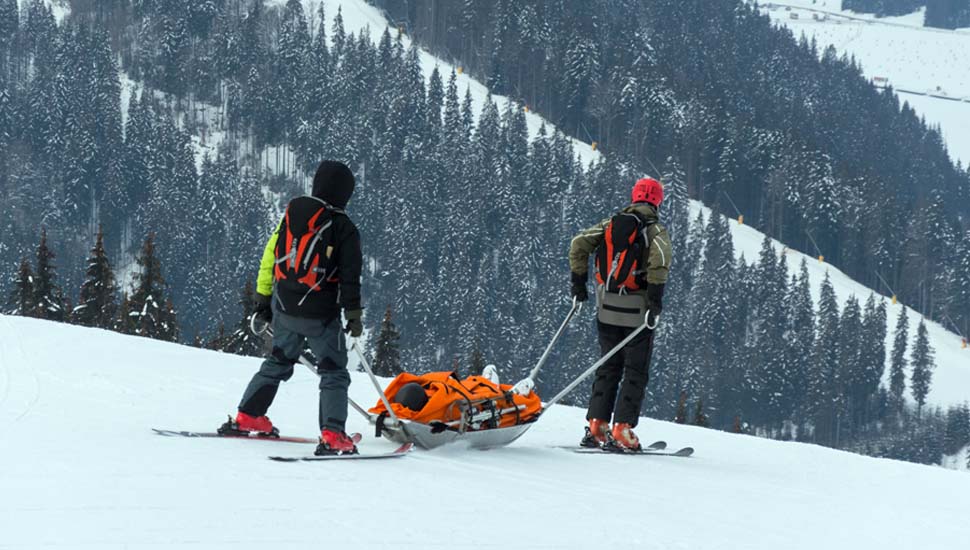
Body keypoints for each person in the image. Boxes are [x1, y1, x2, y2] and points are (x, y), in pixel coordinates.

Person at [219, 160, 364, 455]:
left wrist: (262, 300)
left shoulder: (292, 216)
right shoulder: (344, 228)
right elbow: (350, 276)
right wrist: (353, 315)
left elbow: (269, 257)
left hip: (284, 309)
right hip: (321, 316)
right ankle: (333, 434)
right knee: (334, 372)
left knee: (278, 362)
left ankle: (249, 416)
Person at [567, 177, 671, 450]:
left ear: (634, 197)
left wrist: (579, 285)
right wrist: (655, 303)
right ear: (658, 201)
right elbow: (659, 264)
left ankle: (597, 426)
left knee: (608, 366)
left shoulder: (610, 225)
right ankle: (623, 429)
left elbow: (579, 243)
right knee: (635, 371)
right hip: (637, 314)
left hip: (607, 308)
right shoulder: (656, 232)